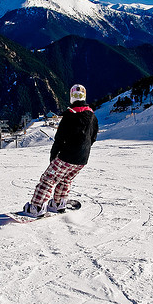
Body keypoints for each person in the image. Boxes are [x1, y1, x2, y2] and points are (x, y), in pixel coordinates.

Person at [23, 84, 99, 217]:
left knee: (48, 179)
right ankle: (59, 204)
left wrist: (54, 157)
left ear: (71, 97)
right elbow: (93, 137)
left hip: (67, 155)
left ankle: (37, 207)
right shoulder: (93, 117)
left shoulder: (69, 116)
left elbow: (59, 139)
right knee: (66, 179)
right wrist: (83, 149)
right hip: (82, 158)